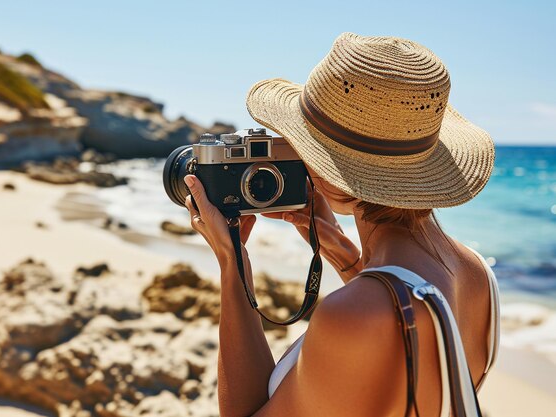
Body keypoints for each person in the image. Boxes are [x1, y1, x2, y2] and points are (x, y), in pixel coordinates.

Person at [183, 33, 499, 417]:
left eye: (299, 143)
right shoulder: (479, 276)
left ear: (329, 170)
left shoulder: (354, 316)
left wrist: (233, 263)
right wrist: (340, 249)